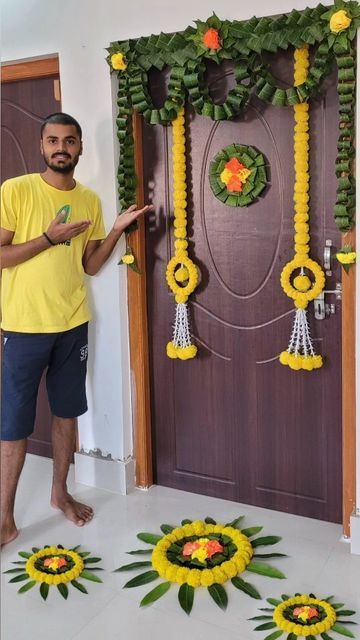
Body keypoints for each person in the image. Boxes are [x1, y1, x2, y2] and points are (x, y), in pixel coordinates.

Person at [0, 112, 152, 545]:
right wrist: (47, 238)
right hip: (24, 325)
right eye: (53, 140)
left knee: (67, 412)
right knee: (13, 424)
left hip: (72, 324)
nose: (61, 147)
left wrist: (117, 231)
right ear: (42, 146)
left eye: (69, 140)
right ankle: (5, 521)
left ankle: (59, 494)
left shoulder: (89, 201)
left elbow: (89, 265)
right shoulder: (17, 190)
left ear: (80, 147)